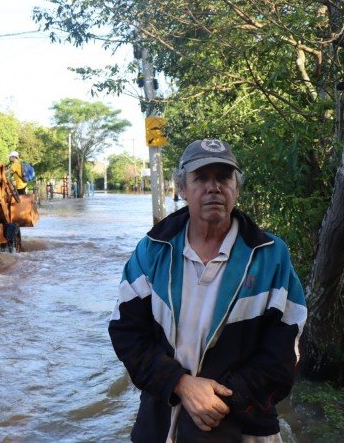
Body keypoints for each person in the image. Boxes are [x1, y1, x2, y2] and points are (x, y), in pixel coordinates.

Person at [109, 138, 307, 442]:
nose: (213, 187)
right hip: (161, 422)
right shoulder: (152, 251)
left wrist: (219, 400)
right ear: (182, 189)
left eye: (223, 177)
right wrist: (181, 385)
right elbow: (127, 333)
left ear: (236, 188)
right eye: (201, 178)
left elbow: (283, 353)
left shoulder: (270, 256)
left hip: (245, 425)